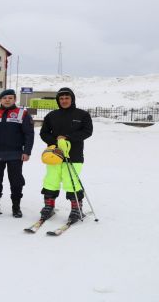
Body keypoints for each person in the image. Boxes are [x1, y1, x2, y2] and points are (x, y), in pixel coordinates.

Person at [39, 87, 93, 223]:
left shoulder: (82, 115)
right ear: (58, 100)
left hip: (74, 155)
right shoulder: (51, 115)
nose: (64, 101)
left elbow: (87, 131)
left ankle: (76, 208)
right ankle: (48, 206)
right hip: (54, 155)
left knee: (71, 182)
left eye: (66, 98)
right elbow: (43, 133)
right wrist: (55, 141)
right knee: (51, 180)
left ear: (72, 99)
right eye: (61, 98)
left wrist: (68, 138)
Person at [0, 89, 34, 218]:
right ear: (0, 100)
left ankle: (16, 207)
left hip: (15, 154)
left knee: (16, 181)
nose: (7, 100)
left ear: (14, 99)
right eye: (4, 98)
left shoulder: (22, 113)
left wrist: (27, 151)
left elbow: (29, 134)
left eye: (10, 98)